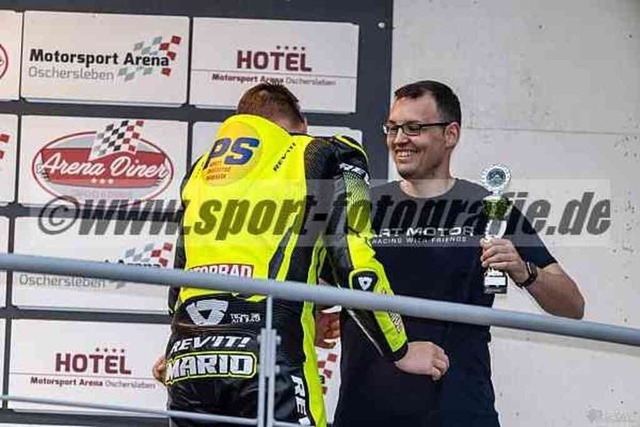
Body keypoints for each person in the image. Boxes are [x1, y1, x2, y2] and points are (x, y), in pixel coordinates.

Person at [161, 83, 449, 427]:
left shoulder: (201, 170)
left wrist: (178, 349)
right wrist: (399, 349)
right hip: (271, 359)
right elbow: (353, 263)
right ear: (302, 125)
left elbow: (180, 279)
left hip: (187, 359)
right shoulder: (326, 152)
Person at [330, 80, 585, 427]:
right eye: (392, 128)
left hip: (459, 411)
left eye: (414, 128)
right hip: (365, 412)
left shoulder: (487, 207)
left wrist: (525, 270)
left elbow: (572, 306)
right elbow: (318, 285)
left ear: (450, 134)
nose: (399, 139)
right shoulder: (362, 206)